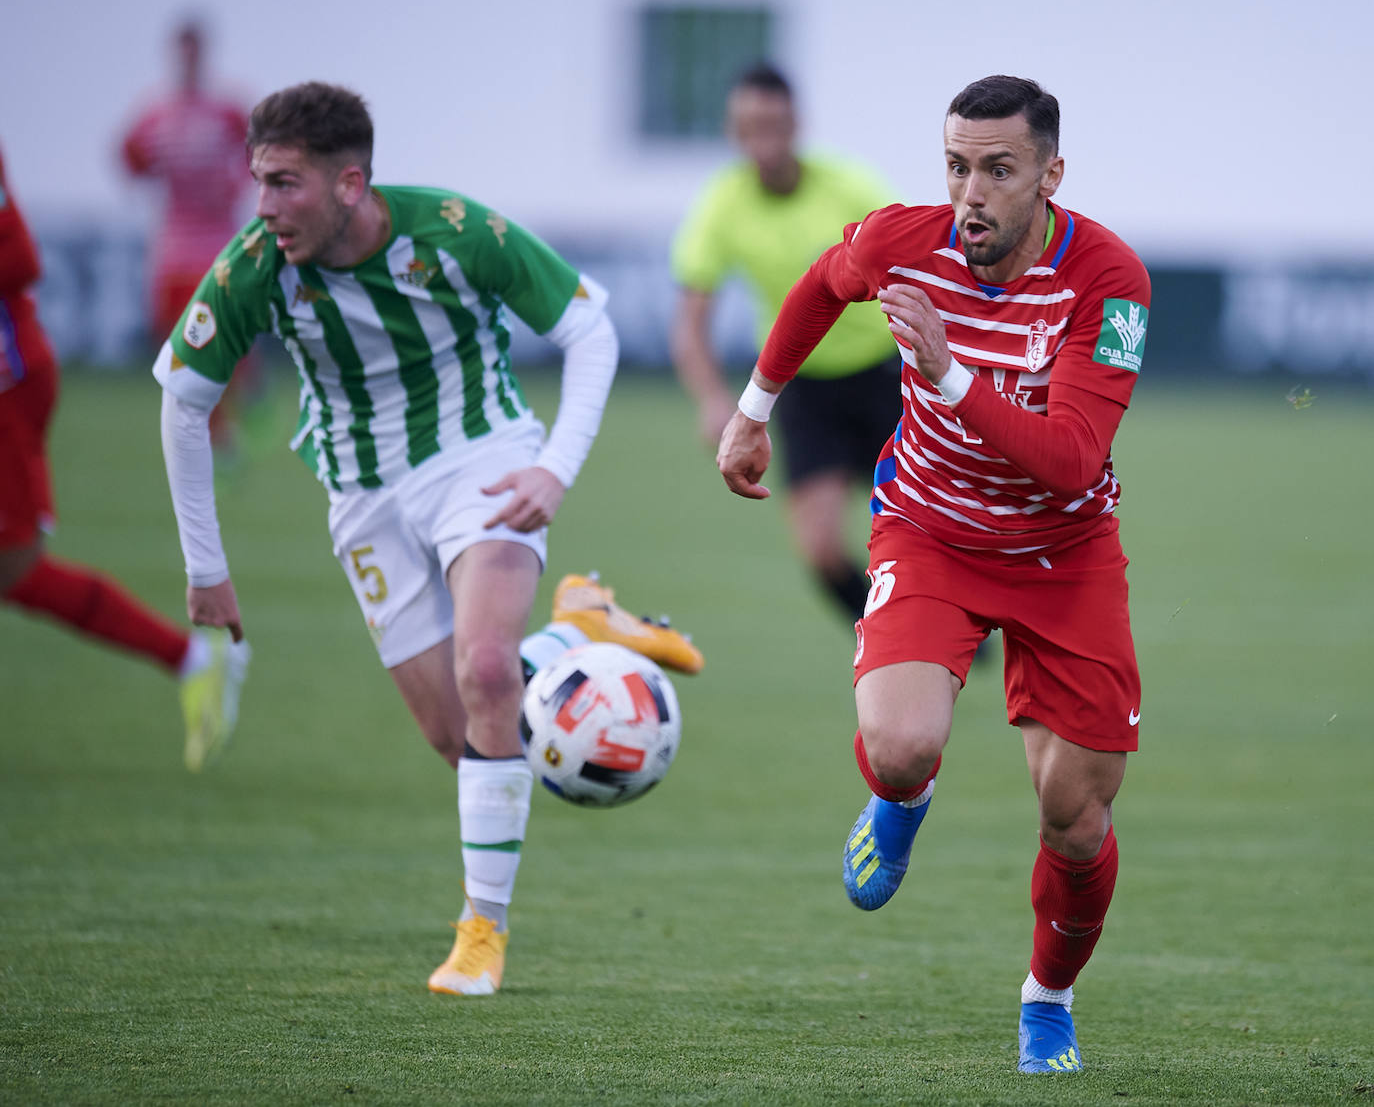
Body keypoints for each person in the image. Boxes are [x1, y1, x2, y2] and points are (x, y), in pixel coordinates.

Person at [153, 82, 702, 998]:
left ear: (350, 182)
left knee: (486, 673)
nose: (264, 206)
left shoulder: (455, 231)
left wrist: (554, 467)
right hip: (362, 497)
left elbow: (590, 330)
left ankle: (480, 936)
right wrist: (205, 570)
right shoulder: (258, 263)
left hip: (478, 459)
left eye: (285, 184)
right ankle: (580, 632)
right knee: (462, 736)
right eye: (260, 182)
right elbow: (183, 399)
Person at [717, 76, 1149, 1074]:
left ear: (1051, 174)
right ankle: (900, 800)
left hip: (1065, 558)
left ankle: (1048, 998)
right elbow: (825, 283)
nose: (972, 194)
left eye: (999, 170)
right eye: (958, 166)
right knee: (902, 743)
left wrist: (951, 371)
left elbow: (1074, 457)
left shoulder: (1111, 280)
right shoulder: (904, 239)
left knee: (1076, 820)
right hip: (930, 533)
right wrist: (754, 406)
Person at [0, 145, 249, 772]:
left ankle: (190, 657)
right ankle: (189, 659)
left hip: (6, 379)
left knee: (14, 566)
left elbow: (20, 257)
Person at [671, 63, 900, 621]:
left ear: (796, 124)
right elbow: (691, 320)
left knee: (919, 531)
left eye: (773, 123)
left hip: (882, 376)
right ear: (733, 131)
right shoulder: (723, 204)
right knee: (820, 548)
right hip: (803, 389)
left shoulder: (850, 186)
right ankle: (887, 640)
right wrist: (711, 401)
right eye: (750, 126)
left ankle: (945, 630)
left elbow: (910, 268)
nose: (763, 137)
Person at [121, 18, 259, 454]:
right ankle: (206, 425)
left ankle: (221, 428)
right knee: (179, 343)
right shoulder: (154, 114)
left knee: (214, 336)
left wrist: (233, 185)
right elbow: (129, 157)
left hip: (215, 245)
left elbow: (258, 157)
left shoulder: (228, 111)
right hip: (172, 248)